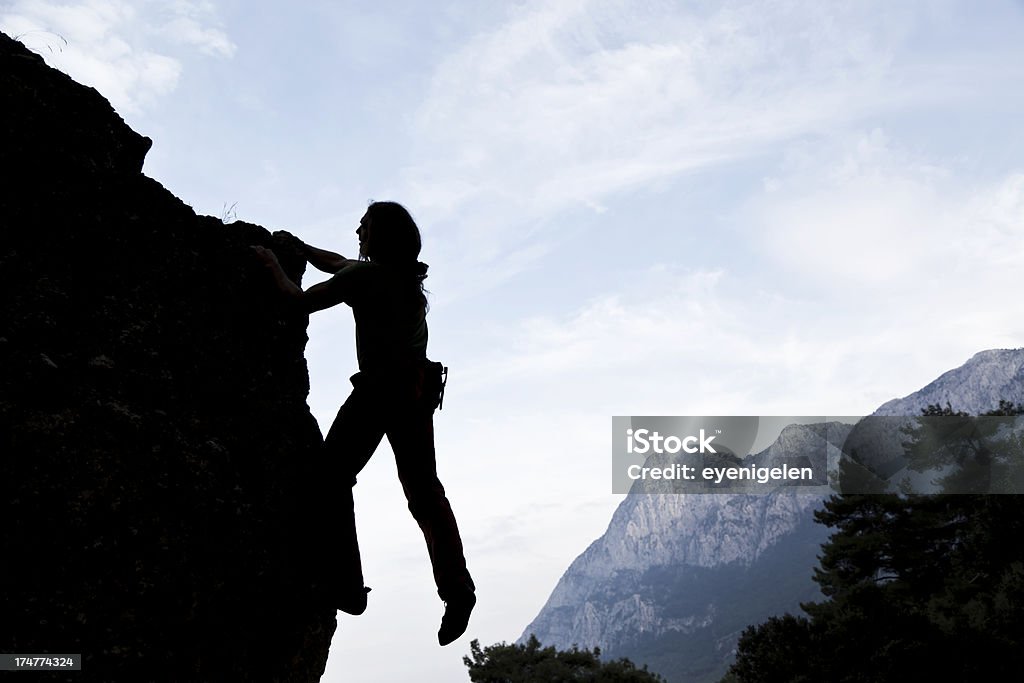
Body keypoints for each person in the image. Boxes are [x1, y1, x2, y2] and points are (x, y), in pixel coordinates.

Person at [251, 201, 476, 646]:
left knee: (331, 476)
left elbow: (296, 303)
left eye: (365, 225)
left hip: (379, 393)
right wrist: (304, 247)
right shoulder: (400, 277)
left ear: (380, 236)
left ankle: (348, 587)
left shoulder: (366, 278)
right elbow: (336, 262)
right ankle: (458, 592)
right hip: (415, 392)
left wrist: (272, 262)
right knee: (425, 494)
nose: (357, 228)